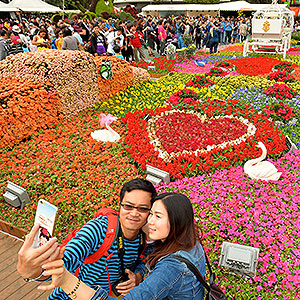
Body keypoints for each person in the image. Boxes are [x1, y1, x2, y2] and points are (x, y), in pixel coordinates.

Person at [38, 192, 206, 300]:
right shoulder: (189, 242)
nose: (149, 221)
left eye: (158, 216)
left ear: (177, 222)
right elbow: (77, 247)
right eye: (151, 214)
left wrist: (68, 282)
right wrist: (139, 276)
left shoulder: (171, 267)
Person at [17, 178, 157, 299]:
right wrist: (33, 270)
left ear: (150, 212)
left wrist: (137, 276)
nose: (134, 213)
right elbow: (67, 259)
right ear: (120, 205)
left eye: (142, 209)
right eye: (128, 206)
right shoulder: (99, 229)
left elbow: (142, 260)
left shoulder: (144, 237)